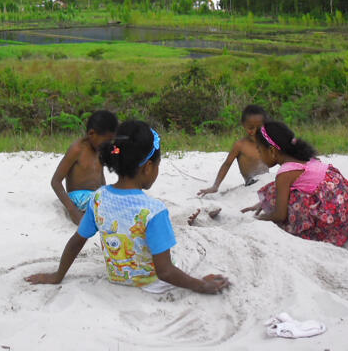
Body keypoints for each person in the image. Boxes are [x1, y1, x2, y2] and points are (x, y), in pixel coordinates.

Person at [28, 120, 230, 294]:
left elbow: (77, 240)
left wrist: (58, 275)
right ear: (148, 167)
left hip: (117, 278)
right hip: (152, 284)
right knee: (188, 260)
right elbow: (165, 272)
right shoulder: (154, 209)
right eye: (157, 165)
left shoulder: (98, 198)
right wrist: (201, 285)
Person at [241, 121, 348, 247]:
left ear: (272, 151)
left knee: (280, 192)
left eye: (259, 150)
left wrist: (259, 219)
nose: (259, 155)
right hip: (347, 213)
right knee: (277, 189)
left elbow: (280, 215)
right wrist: (263, 202)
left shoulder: (285, 173)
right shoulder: (306, 157)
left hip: (330, 226)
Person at [51, 110, 118, 225]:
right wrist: (72, 210)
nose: (108, 145)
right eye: (106, 141)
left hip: (96, 196)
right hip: (79, 198)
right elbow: (55, 182)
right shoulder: (77, 149)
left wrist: (105, 193)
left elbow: (100, 176)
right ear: (92, 133)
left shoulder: (100, 150)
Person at [197, 105, 270, 196]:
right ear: (244, 125)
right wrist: (215, 186)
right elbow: (227, 164)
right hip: (252, 185)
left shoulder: (267, 142)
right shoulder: (240, 145)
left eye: (258, 128)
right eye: (250, 128)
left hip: (268, 181)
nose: (254, 131)